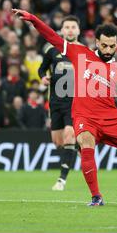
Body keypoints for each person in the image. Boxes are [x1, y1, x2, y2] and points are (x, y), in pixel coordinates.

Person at [13, 8, 117, 206]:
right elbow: (53, 37)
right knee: (86, 144)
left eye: (111, 46)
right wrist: (34, 20)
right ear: (96, 42)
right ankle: (96, 197)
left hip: (112, 120)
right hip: (84, 118)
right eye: (103, 45)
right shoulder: (79, 53)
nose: (107, 50)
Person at [37, 15, 80, 191]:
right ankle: (76, 149)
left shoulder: (84, 51)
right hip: (55, 101)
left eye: (73, 27)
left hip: (75, 101)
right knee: (58, 141)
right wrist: (43, 78)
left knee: (70, 135)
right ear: (61, 31)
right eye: (67, 27)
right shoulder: (51, 50)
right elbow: (41, 68)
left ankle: (62, 180)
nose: (70, 30)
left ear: (78, 30)